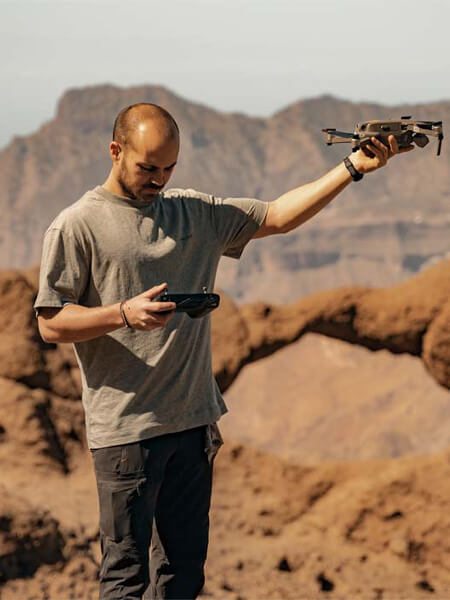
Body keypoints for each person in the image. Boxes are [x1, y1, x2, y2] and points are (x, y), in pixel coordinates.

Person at [33, 102, 414, 600]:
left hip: (193, 426)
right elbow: (51, 322)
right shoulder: (76, 225)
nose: (160, 180)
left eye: (169, 168)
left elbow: (277, 216)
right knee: (125, 577)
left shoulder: (193, 212)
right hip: (126, 434)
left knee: (183, 575)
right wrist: (123, 313)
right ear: (115, 151)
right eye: (148, 168)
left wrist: (352, 168)